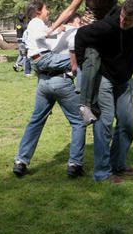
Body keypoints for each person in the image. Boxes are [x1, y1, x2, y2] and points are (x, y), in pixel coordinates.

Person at [46, 0, 133, 126]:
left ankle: (113, 91)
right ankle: (86, 105)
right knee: (92, 56)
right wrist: (52, 28)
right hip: (90, 28)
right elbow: (70, 10)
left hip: (110, 26)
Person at [75, 0, 133, 182]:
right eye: (123, 16)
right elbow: (81, 36)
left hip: (124, 79)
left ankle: (119, 164)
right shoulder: (107, 26)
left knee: (127, 124)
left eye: (128, 20)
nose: (123, 21)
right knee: (105, 123)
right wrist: (81, 64)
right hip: (105, 78)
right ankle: (102, 173)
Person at [12, 25, 86, 178]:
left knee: (36, 121)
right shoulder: (74, 32)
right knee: (78, 122)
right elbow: (76, 61)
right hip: (62, 81)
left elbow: (41, 57)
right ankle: (75, 164)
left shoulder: (52, 34)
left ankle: (21, 161)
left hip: (43, 82)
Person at [25, 0, 73, 75]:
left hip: (38, 59)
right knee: (76, 59)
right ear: (38, 11)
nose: (48, 11)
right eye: (46, 9)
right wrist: (53, 30)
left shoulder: (35, 23)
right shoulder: (36, 21)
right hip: (43, 58)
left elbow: (48, 36)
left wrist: (58, 31)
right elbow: (39, 36)